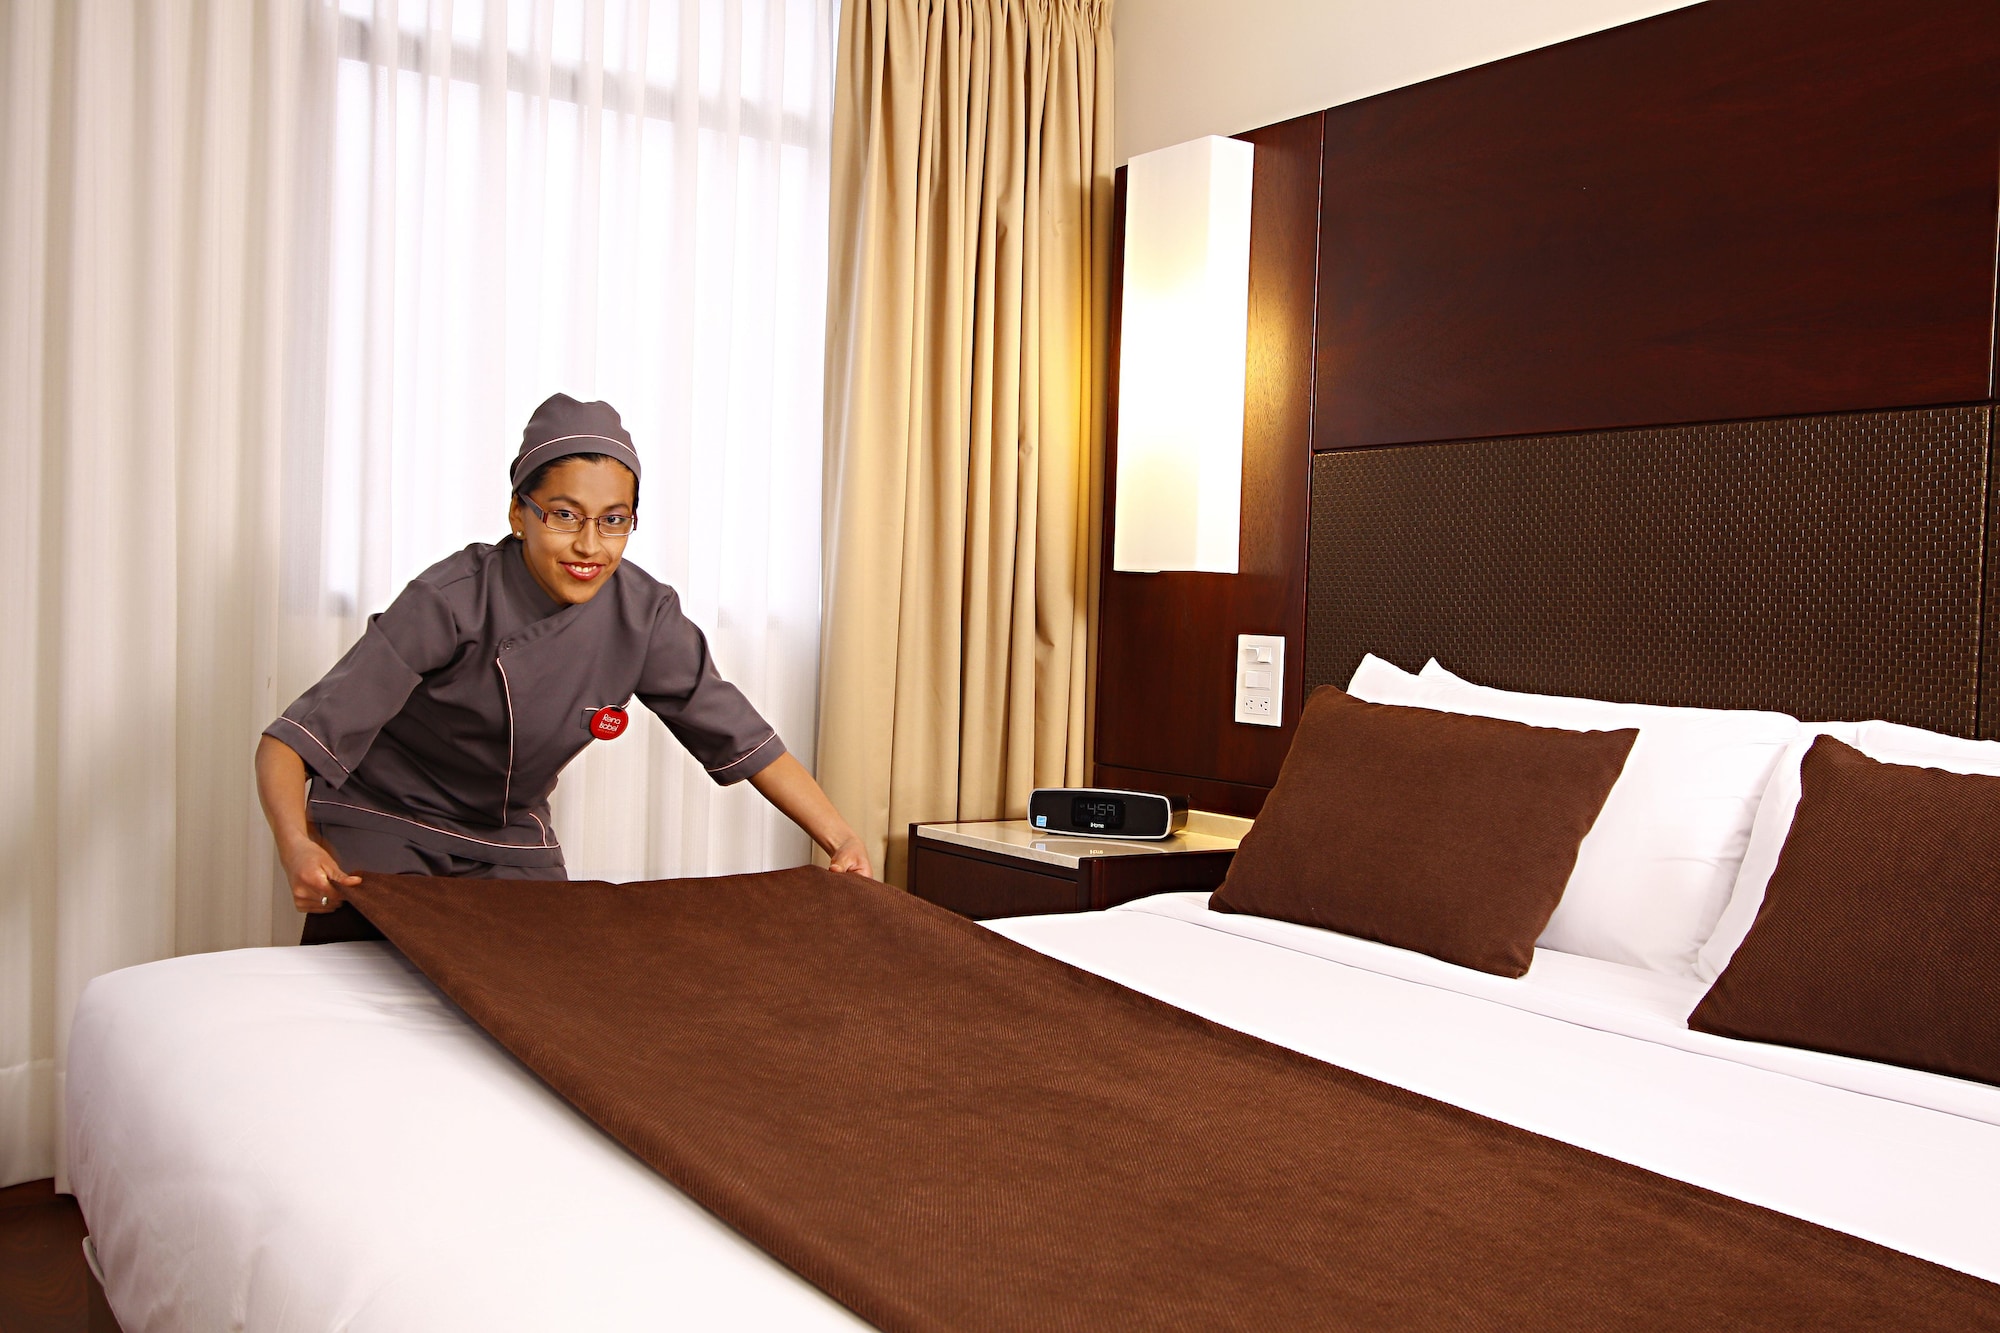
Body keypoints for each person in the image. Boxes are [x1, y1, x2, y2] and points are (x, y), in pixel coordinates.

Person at [257, 393, 870, 944]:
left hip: (509, 839)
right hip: (386, 823)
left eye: (613, 520)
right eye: (564, 515)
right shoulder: (449, 600)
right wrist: (296, 846)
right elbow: (289, 744)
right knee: (382, 983)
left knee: (554, 978)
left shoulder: (643, 615)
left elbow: (745, 738)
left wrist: (840, 838)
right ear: (518, 514)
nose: (589, 546)